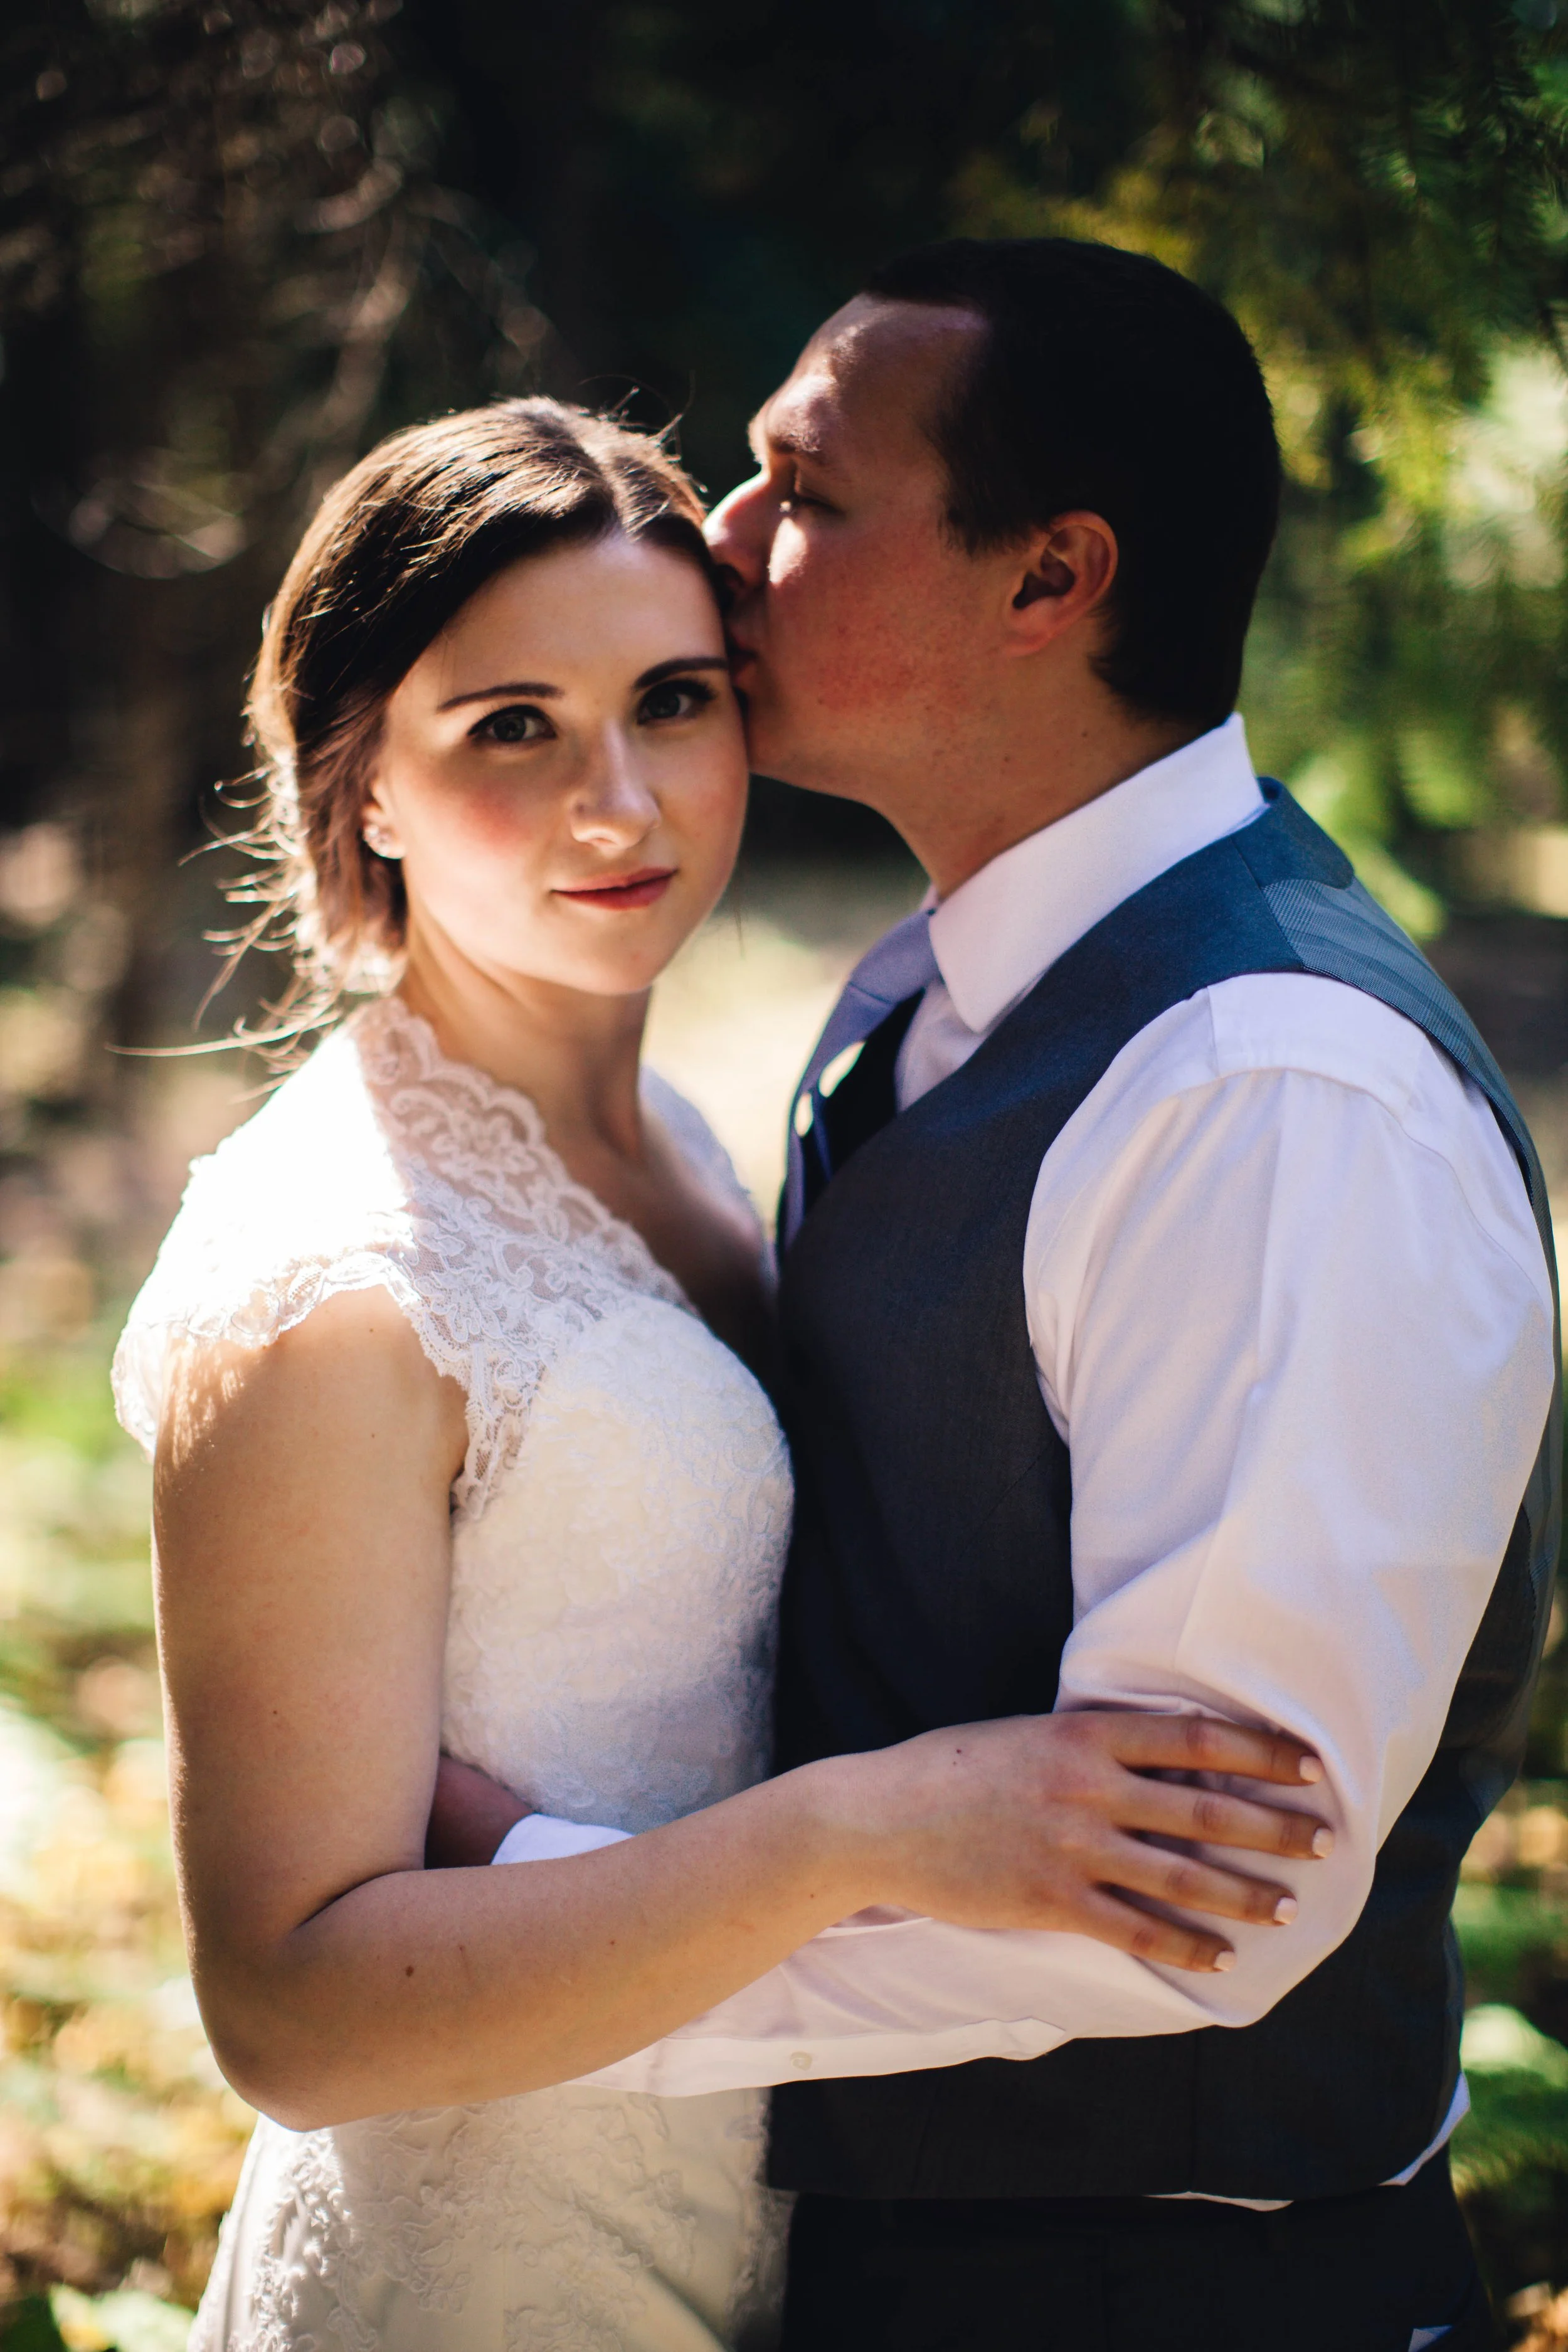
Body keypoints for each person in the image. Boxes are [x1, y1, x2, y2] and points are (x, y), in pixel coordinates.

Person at [112, 396, 1328, 2351]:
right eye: (511, 725)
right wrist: (864, 1825)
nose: (624, 802)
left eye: (673, 700)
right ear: (362, 784)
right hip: (487, 2259)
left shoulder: (668, 1130)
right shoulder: (330, 1276)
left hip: (760, 2220)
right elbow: (296, 2017)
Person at [444, 242, 1559, 2349]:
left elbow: (1191, 1910)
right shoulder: (922, 988)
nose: (722, 541)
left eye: (803, 490)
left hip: (1170, 2283)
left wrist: (542, 1941)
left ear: (1050, 579)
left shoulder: (1269, 1099)